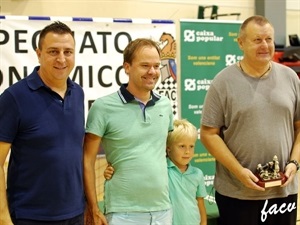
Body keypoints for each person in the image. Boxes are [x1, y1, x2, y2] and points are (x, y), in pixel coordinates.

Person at [200, 15, 300, 225]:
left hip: (283, 192)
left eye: (269, 39)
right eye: (257, 40)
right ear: (241, 43)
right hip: (237, 193)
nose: (265, 45)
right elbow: (209, 134)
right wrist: (238, 171)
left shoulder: (290, 77)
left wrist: (294, 163)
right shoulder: (223, 82)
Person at [0, 21, 85, 224]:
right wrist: (3, 218)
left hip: (75, 214)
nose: (61, 59)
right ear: (39, 54)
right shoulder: (14, 97)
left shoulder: (78, 93)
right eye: (53, 51)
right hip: (30, 216)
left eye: (68, 51)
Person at [83, 38, 174, 225]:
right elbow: (87, 159)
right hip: (122, 213)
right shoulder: (103, 107)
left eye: (157, 66)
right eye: (145, 65)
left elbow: (162, 152)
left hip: (163, 210)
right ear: (127, 67)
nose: (152, 72)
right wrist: (92, 207)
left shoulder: (165, 105)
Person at [104, 119, 208, 225]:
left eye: (191, 146)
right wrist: (110, 172)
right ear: (168, 148)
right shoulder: (162, 169)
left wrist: (203, 223)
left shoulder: (197, 173)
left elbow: (200, 202)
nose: (187, 151)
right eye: (182, 146)